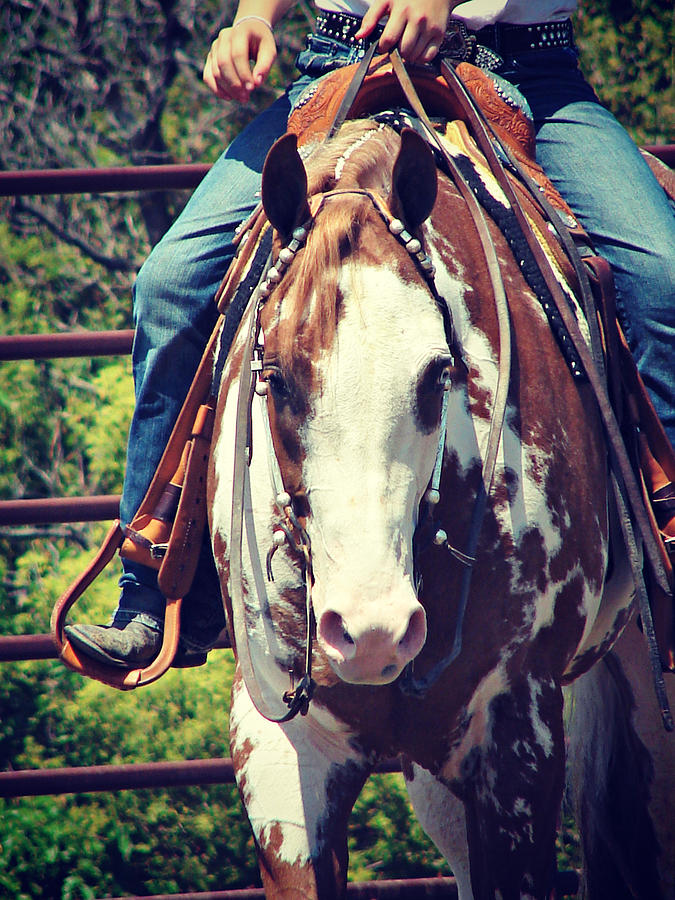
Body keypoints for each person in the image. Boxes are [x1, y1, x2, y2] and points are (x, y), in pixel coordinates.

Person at [66, 0, 675, 669]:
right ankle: (156, 589)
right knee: (171, 284)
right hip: (340, 64)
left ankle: (664, 556)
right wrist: (252, 20)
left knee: (662, 281)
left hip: (530, 72)